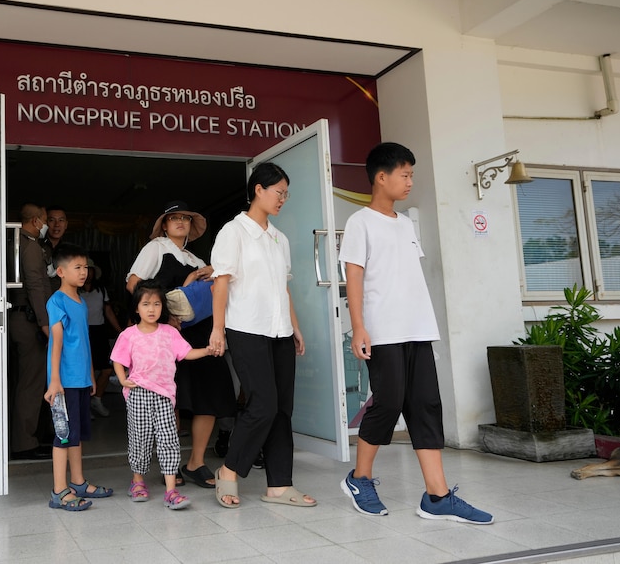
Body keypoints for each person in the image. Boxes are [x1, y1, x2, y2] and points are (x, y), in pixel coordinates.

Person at [337, 142, 493, 524]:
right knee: (388, 403)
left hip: (417, 329)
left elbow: (407, 276)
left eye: (411, 175)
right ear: (381, 177)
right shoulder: (360, 222)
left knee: (425, 406)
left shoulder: (405, 224)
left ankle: (437, 496)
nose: (409, 182)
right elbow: (353, 276)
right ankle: (360, 478)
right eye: (404, 174)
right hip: (383, 330)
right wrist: (358, 327)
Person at [208, 162, 316, 509]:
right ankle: (229, 470)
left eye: (286, 194)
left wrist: (295, 326)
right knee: (263, 405)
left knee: (283, 409)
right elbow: (221, 283)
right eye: (278, 192)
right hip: (246, 329)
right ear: (258, 190)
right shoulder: (233, 232)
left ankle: (280, 485)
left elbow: (283, 289)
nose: (283, 199)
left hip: (280, 331)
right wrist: (218, 329)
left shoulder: (279, 238)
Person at [126, 201, 237, 489]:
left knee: (212, 392)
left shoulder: (195, 259)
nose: (180, 222)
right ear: (164, 224)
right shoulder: (156, 248)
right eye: (173, 218)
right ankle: (169, 466)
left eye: (185, 219)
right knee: (169, 398)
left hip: (201, 334)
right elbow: (134, 285)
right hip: (164, 333)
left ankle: (195, 462)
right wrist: (163, 312)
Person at [111, 280, 215, 510]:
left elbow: (186, 354)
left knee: (169, 440)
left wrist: (207, 350)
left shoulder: (170, 332)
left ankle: (171, 491)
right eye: (146, 304)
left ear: (162, 307)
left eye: (156, 304)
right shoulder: (129, 334)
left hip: (165, 396)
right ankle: (137, 482)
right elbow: (117, 360)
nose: (151, 309)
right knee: (140, 439)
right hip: (138, 394)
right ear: (136, 308)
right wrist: (121, 379)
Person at [44, 243, 113, 511]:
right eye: (77, 267)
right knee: (64, 435)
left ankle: (78, 482)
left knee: (77, 434)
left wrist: (92, 376)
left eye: (86, 267)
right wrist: (54, 380)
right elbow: (57, 342)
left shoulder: (81, 301)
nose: (84, 272)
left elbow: (83, 342)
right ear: (60, 271)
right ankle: (59, 491)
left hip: (81, 379)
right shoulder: (57, 301)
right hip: (64, 382)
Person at [8, 203, 54, 460]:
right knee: (31, 383)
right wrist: (44, 322)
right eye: (45, 220)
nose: (45, 225)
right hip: (28, 321)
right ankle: (25, 443)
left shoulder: (14, 242)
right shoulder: (32, 246)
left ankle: (27, 437)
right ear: (36, 221)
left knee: (23, 381)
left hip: (18, 318)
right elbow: (36, 286)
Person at [81, 258, 123, 417]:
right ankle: (84, 407)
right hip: (82, 332)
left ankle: (96, 399)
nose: (87, 273)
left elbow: (108, 311)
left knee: (106, 368)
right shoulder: (74, 290)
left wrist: (120, 330)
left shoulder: (101, 290)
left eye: (89, 269)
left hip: (99, 331)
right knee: (85, 369)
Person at [42, 206, 69, 292]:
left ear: (66, 224)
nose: (57, 225)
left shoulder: (69, 250)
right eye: (52, 220)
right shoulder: (37, 246)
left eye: (61, 220)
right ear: (45, 224)